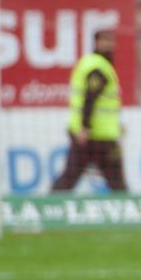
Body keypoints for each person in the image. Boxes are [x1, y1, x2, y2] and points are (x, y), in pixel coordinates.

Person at [51, 29, 126, 193]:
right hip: (95, 136)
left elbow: (101, 103)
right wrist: (85, 127)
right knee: (117, 183)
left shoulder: (91, 63)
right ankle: (46, 208)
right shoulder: (98, 68)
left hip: (95, 133)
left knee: (70, 177)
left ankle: (47, 206)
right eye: (105, 41)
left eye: (111, 41)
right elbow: (90, 99)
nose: (109, 45)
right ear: (96, 42)